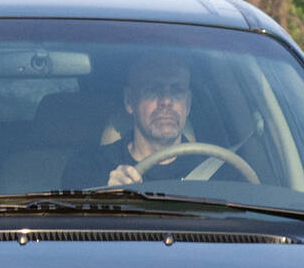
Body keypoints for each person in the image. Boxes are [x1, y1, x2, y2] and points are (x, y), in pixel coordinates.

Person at [59, 54, 202, 188]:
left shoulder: (216, 167)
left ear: (188, 104)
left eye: (177, 91)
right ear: (129, 101)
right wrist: (107, 197)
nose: (166, 101)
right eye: (152, 90)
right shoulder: (90, 168)